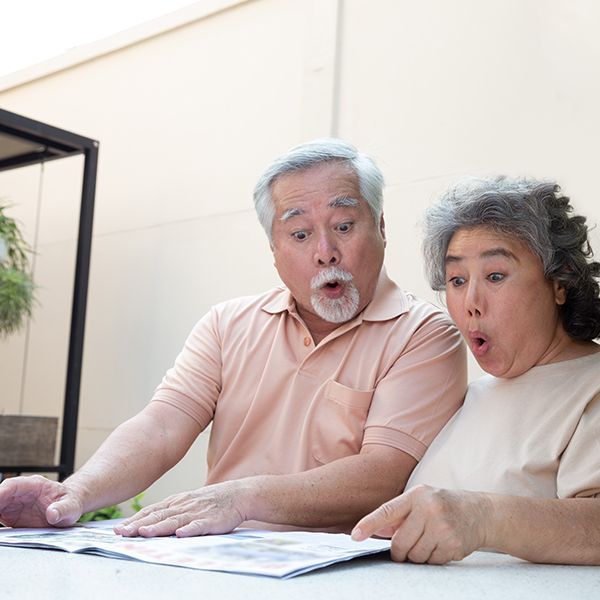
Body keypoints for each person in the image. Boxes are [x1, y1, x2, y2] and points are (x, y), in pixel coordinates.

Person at [0, 139, 466, 536]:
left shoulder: (425, 334)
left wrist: (241, 498)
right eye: (300, 233)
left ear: (381, 228)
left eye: (344, 227)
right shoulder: (228, 323)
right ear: (274, 250)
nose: (326, 253)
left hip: (344, 575)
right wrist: (74, 493)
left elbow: (383, 473)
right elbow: (162, 426)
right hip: (218, 562)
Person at [352, 175, 600, 565]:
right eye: (456, 280)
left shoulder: (590, 384)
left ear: (560, 282)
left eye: (495, 276)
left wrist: (483, 518)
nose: (471, 303)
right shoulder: (474, 395)